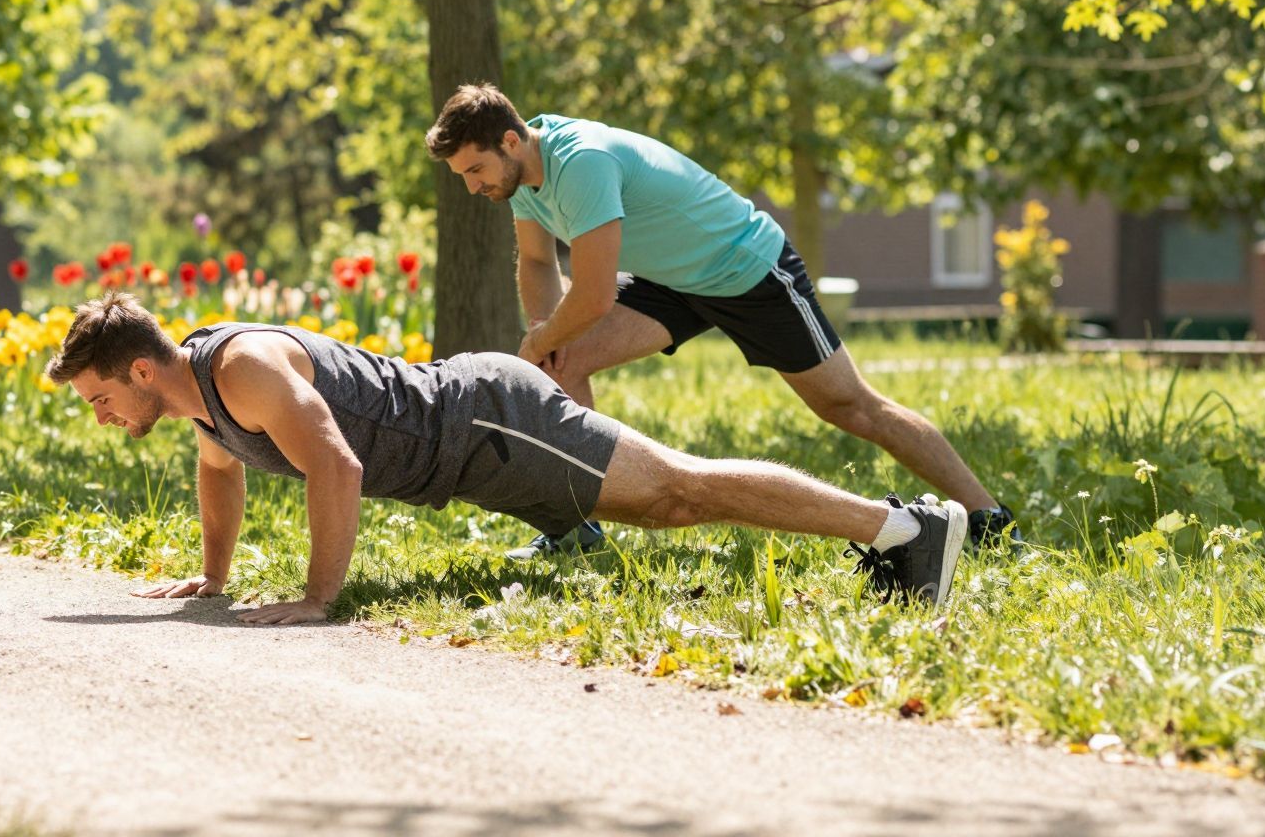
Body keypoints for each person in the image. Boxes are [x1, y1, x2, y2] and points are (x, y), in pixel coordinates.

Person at [47, 293, 966, 627]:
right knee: (661, 503)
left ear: (138, 368)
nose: (101, 418)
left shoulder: (239, 366)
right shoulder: (197, 403)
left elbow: (336, 466)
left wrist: (319, 598)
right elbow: (220, 472)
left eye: (99, 399)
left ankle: (905, 529)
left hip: (487, 423)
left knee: (677, 493)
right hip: (468, 457)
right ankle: (895, 528)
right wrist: (212, 580)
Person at [424, 84, 1014, 560]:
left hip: (747, 269)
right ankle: (576, 526)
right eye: (466, 177)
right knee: (566, 361)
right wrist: (546, 335)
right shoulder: (521, 176)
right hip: (672, 281)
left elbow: (597, 295)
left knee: (850, 407)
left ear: (510, 139)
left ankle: (988, 518)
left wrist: (542, 339)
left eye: (476, 170)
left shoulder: (581, 162)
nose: (475, 186)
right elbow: (535, 259)